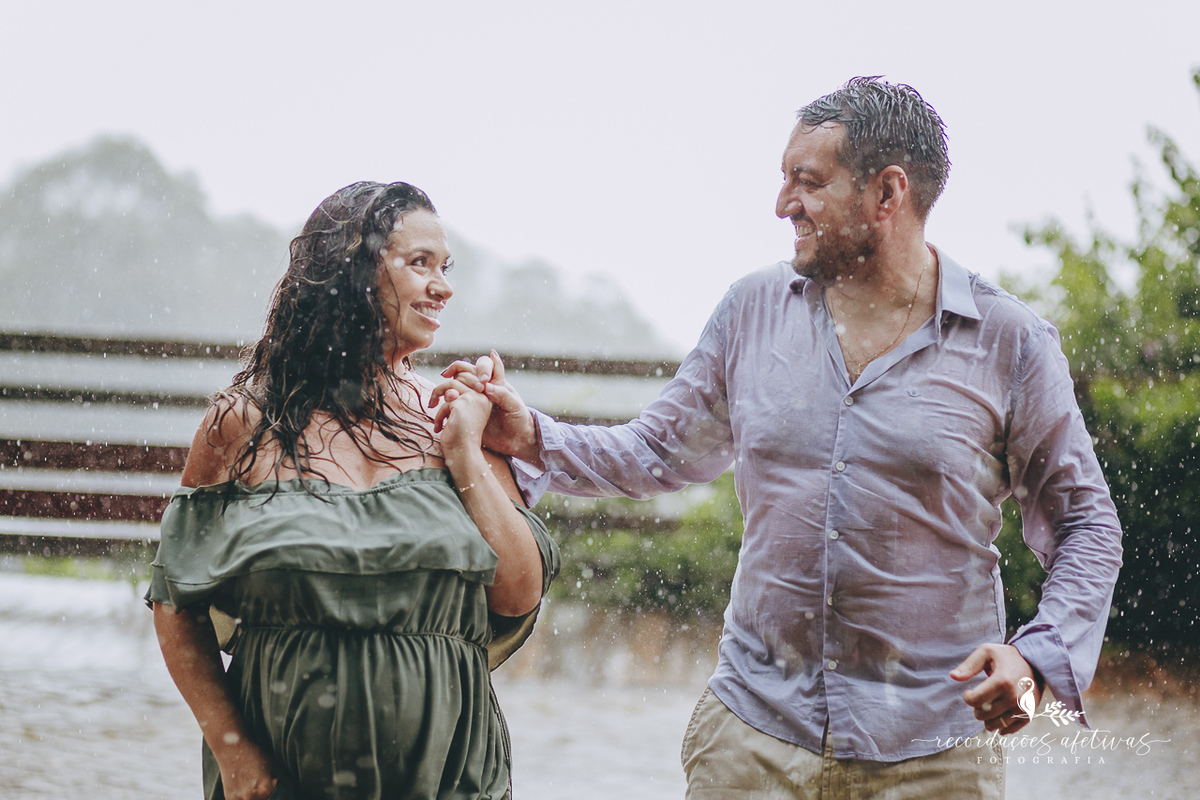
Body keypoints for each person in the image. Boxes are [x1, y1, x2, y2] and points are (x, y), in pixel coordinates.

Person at [434, 78, 1123, 798]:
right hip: (751, 739)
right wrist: (530, 434)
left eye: (808, 182)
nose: (782, 204)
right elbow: (657, 451)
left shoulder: (1010, 343)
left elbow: (1086, 523)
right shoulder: (751, 311)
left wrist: (1035, 658)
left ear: (887, 193)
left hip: (932, 753)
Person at [147, 181, 559, 800]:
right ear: (351, 271)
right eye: (419, 263)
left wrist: (466, 454)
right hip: (283, 775)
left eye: (445, 268)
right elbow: (176, 600)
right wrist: (232, 749)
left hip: (448, 773)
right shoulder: (244, 422)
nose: (443, 287)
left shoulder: (456, 414)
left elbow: (519, 592)